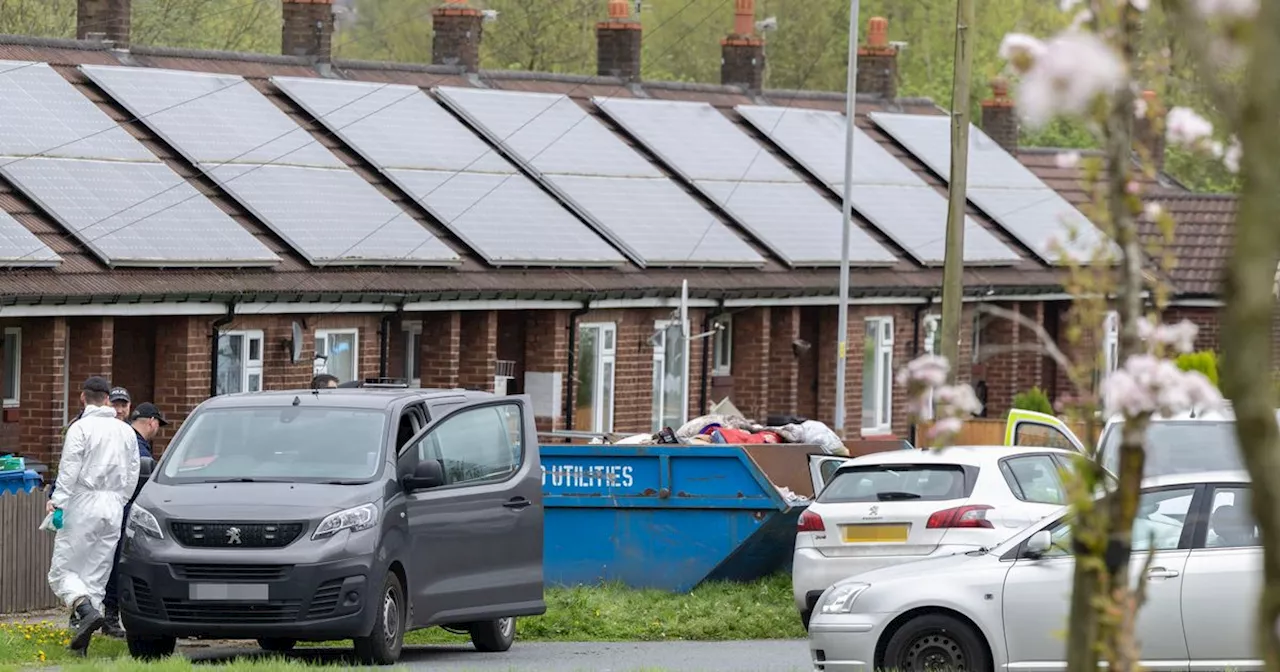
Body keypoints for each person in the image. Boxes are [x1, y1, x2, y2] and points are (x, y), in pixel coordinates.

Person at [46, 376, 140, 656]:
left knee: (64, 571)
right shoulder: (124, 431)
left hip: (84, 501)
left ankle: (85, 612)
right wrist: (120, 500)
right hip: (113, 506)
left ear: (82, 398)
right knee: (95, 575)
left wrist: (58, 501)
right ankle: (80, 646)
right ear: (108, 400)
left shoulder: (81, 428)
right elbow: (133, 470)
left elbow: (70, 468)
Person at [99, 403, 165, 638]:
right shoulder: (136, 445)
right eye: (158, 425)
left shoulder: (126, 439)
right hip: (124, 511)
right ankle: (109, 616)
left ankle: (96, 615)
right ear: (152, 422)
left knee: (101, 562)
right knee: (116, 564)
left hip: (109, 507)